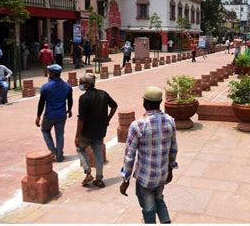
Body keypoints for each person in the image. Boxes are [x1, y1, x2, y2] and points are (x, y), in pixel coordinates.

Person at [120, 86, 178, 224]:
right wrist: (170, 169)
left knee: (149, 208)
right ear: (159, 102)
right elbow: (173, 148)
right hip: (162, 174)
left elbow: (129, 156)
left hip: (145, 178)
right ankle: (166, 221)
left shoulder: (138, 125)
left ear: (145, 103)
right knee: (159, 199)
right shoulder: (170, 120)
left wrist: (125, 179)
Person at [75, 74, 118, 188]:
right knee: (98, 155)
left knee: (80, 149)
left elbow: (81, 119)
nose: (80, 85)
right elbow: (114, 106)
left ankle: (88, 172)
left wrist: (77, 135)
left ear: (87, 84)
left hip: (86, 132)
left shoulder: (84, 98)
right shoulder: (103, 94)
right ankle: (99, 178)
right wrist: (108, 119)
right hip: (100, 131)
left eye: (81, 83)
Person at [35, 64, 73, 162]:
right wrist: (69, 109)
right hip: (62, 114)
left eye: (49, 72)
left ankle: (53, 152)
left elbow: (41, 102)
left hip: (49, 115)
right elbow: (70, 100)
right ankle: (60, 155)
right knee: (60, 134)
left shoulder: (46, 87)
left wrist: (38, 116)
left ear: (52, 73)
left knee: (45, 130)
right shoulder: (67, 86)